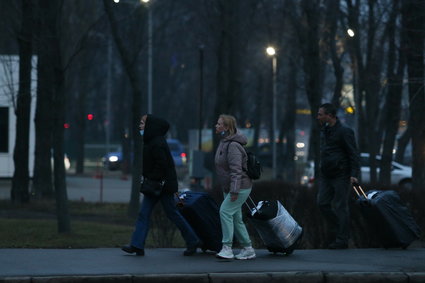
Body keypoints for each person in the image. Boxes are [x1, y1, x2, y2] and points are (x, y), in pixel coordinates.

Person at [121, 114, 201, 256]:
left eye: (142, 123)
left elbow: (161, 165)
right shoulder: (153, 141)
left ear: (150, 126)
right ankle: (137, 245)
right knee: (153, 214)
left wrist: (150, 179)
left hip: (160, 186)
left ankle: (192, 240)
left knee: (162, 214)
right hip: (158, 185)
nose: (140, 126)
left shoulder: (156, 143)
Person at [316, 103, 360, 249]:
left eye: (321, 114)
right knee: (322, 203)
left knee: (341, 206)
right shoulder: (325, 130)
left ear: (330, 115)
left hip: (341, 175)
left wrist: (353, 174)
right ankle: (339, 229)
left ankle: (342, 239)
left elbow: (353, 153)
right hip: (326, 174)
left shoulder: (344, 131)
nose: (318, 116)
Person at [214, 114, 256, 260]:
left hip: (240, 187)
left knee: (224, 212)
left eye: (219, 124)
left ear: (226, 127)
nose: (216, 126)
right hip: (231, 187)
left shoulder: (232, 146)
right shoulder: (224, 142)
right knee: (236, 218)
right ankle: (248, 248)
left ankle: (227, 248)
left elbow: (236, 170)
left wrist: (234, 190)